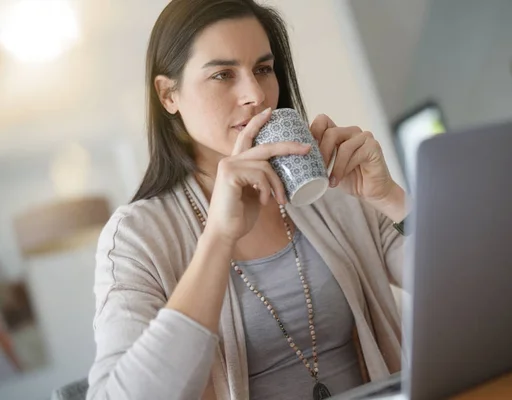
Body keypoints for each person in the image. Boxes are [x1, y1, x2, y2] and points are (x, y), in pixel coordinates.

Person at [87, 0, 408, 399]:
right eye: (223, 74)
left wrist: (391, 197)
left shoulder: (331, 190)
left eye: (262, 69)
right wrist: (218, 238)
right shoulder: (136, 237)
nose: (255, 94)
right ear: (168, 94)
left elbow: (469, 285)